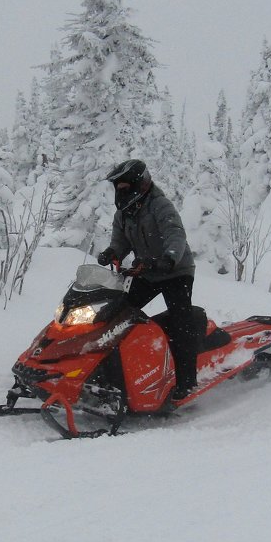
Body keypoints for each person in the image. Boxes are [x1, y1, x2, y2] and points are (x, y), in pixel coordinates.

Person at [96, 159, 199, 401]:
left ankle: (186, 381)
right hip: (149, 271)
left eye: (124, 186)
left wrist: (169, 257)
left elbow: (175, 234)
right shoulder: (123, 214)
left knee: (180, 321)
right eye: (117, 187)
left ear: (138, 184)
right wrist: (111, 253)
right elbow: (120, 243)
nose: (120, 191)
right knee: (118, 313)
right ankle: (108, 369)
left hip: (175, 271)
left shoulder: (160, 206)